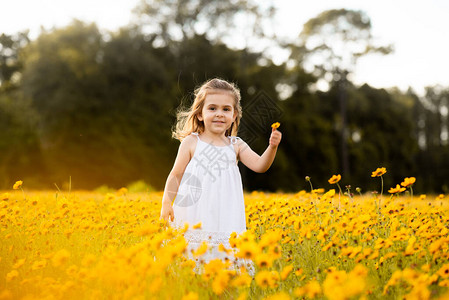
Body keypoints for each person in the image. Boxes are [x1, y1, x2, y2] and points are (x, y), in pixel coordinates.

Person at [160, 78, 282, 275]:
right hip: (193, 212)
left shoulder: (236, 144)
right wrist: (166, 202)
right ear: (200, 114)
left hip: (225, 213)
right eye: (212, 108)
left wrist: (272, 147)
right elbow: (175, 175)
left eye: (226, 109)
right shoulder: (191, 142)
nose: (219, 114)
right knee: (189, 267)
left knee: (226, 268)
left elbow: (260, 166)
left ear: (234, 115)